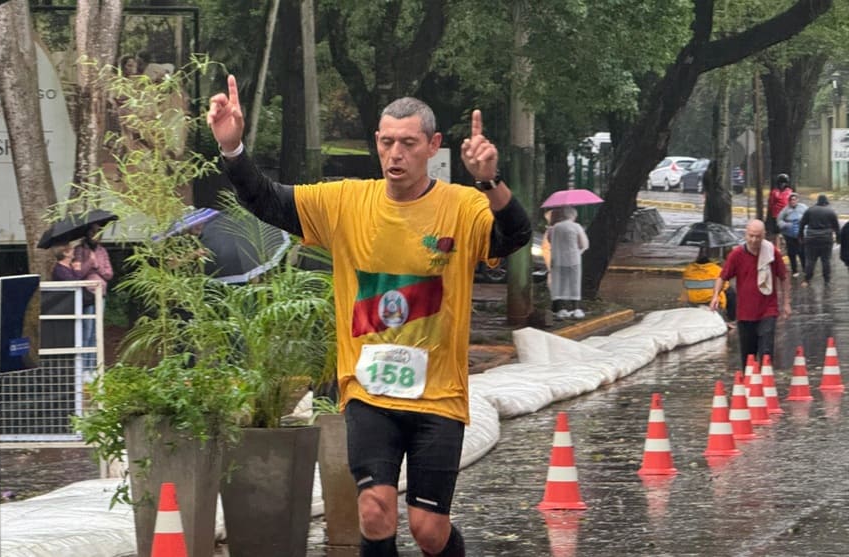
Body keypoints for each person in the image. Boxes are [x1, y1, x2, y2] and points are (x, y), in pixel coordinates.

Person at [207, 75, 532, 557]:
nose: (395, 154)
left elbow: (513, 236)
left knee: (428, 530)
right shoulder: (345, 202)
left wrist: (488, 180)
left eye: (407, 143)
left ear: (432, 146)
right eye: (386, 142)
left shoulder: (462, 206)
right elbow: (266, 199)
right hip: (368, 392)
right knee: (375, 510)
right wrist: (232, 149)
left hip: (438, 398)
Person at [710, 219, 791, 367]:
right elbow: (722, 277)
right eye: (751, 236)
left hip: (768, 310)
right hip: (745, 314)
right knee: (748, 358)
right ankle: (750, 387)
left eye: (758, 236)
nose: (754, 240)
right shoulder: (737, 255)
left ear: (764, 235)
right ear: (745, 234)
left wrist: (786, 303)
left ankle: (766, 385)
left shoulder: (771, 252)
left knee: (766, 353)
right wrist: (715, 295)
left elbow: (784, 277)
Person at [74, 223, 113, 377]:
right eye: (93, 232)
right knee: (87, 331)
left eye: (98, 233)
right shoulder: (79, 250)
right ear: (87, 234)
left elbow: (109, 274)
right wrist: (89, 263)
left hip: (101, 293)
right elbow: (77, 273)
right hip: (87, 295)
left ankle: (93, 368)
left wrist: (97, 267)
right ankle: (83, 368)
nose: (96, 235)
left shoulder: (102, 251)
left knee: (97, 332)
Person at [546, 205, 589, 320]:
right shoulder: (576, 227)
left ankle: (561, 309)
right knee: (574, 283)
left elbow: (550, 240)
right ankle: (576, 309)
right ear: (573, 215)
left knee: (559, 283)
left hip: (557, 259)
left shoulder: (554, 227)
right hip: (573, 259)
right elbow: (583, 244)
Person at [681, 245, 732, 327]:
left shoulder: (688, 269)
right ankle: (732, 318)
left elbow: (684, 284)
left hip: (693, 302)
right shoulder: (716, 269)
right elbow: (725, 286)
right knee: (730, 292)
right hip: (712, 303)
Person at [798, 194, 839, 287]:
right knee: (826, 260)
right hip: (826, 239)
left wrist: (800, 236)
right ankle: (827, 281)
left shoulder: (810, 210)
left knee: (810, 260)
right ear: (826, 202)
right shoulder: (830, 211)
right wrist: (838, 239)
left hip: (811, 239)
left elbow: (802, 224)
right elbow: (837, 227)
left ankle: (807, 279)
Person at [776, 192, 806, 277]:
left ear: (797, 200)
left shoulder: (803, 208)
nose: (793, 201)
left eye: (794, 199)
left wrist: (806, 226)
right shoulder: (785, 210)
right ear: (789, 201)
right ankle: (794, 270)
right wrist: (786, 225)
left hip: (801, 234)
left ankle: (805, 268)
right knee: (792, 253)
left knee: (802, 252)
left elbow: (809, 217)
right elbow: (779, 220)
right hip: (789, 235)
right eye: (791, 200)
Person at [765, 173, 793, 242]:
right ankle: (778, 247)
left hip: (787, 215)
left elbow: (791, 202)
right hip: (777, 215)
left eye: (784, 183)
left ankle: (785, 243)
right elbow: (771, 203)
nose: (782, 185)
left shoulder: (789, 191)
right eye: (781, 183)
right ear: (778, 183)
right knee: (777, 232)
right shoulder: (774, 192)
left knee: (786, 230)